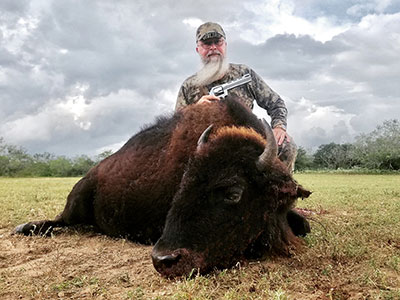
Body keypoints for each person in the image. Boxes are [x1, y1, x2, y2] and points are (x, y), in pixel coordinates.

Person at [175, 22, 297, 172]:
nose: (213, 47)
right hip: (210, 146)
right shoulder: (189, 86)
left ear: (225, 45)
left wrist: (279, 127)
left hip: (247, 139)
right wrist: (195, 109)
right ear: (198, 49)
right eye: (206, 43)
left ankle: (281, 192)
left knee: (286, 145)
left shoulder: (244, 74)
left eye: (217, 42)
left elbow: (276, 103)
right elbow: (175, 126)